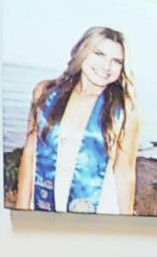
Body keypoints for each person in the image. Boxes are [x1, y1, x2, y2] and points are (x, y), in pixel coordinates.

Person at [15, 25, 142, 214]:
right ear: (83, 52)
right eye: (99, 54)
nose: (106, 66)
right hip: (44, 202)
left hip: (99, 210)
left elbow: (125, 172)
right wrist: (21, 209)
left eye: (116, 61)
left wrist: (126, 224)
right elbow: (30, 152)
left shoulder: (125, 111)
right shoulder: (45, 93)